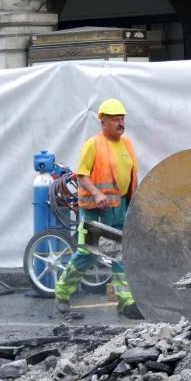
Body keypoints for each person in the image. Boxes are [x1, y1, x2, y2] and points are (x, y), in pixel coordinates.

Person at [55, 98, 144, 320]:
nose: (120, 123)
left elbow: (130, 177)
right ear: (103, 121)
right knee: (87, 253)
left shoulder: (127, 145)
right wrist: (96, 193)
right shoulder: (92, 145)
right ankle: (62, 292)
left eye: (122, 118)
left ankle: (126, 301)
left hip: (119, 207)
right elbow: (81, 175)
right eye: (115, 119)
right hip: (95, 209)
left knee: (119, 253)